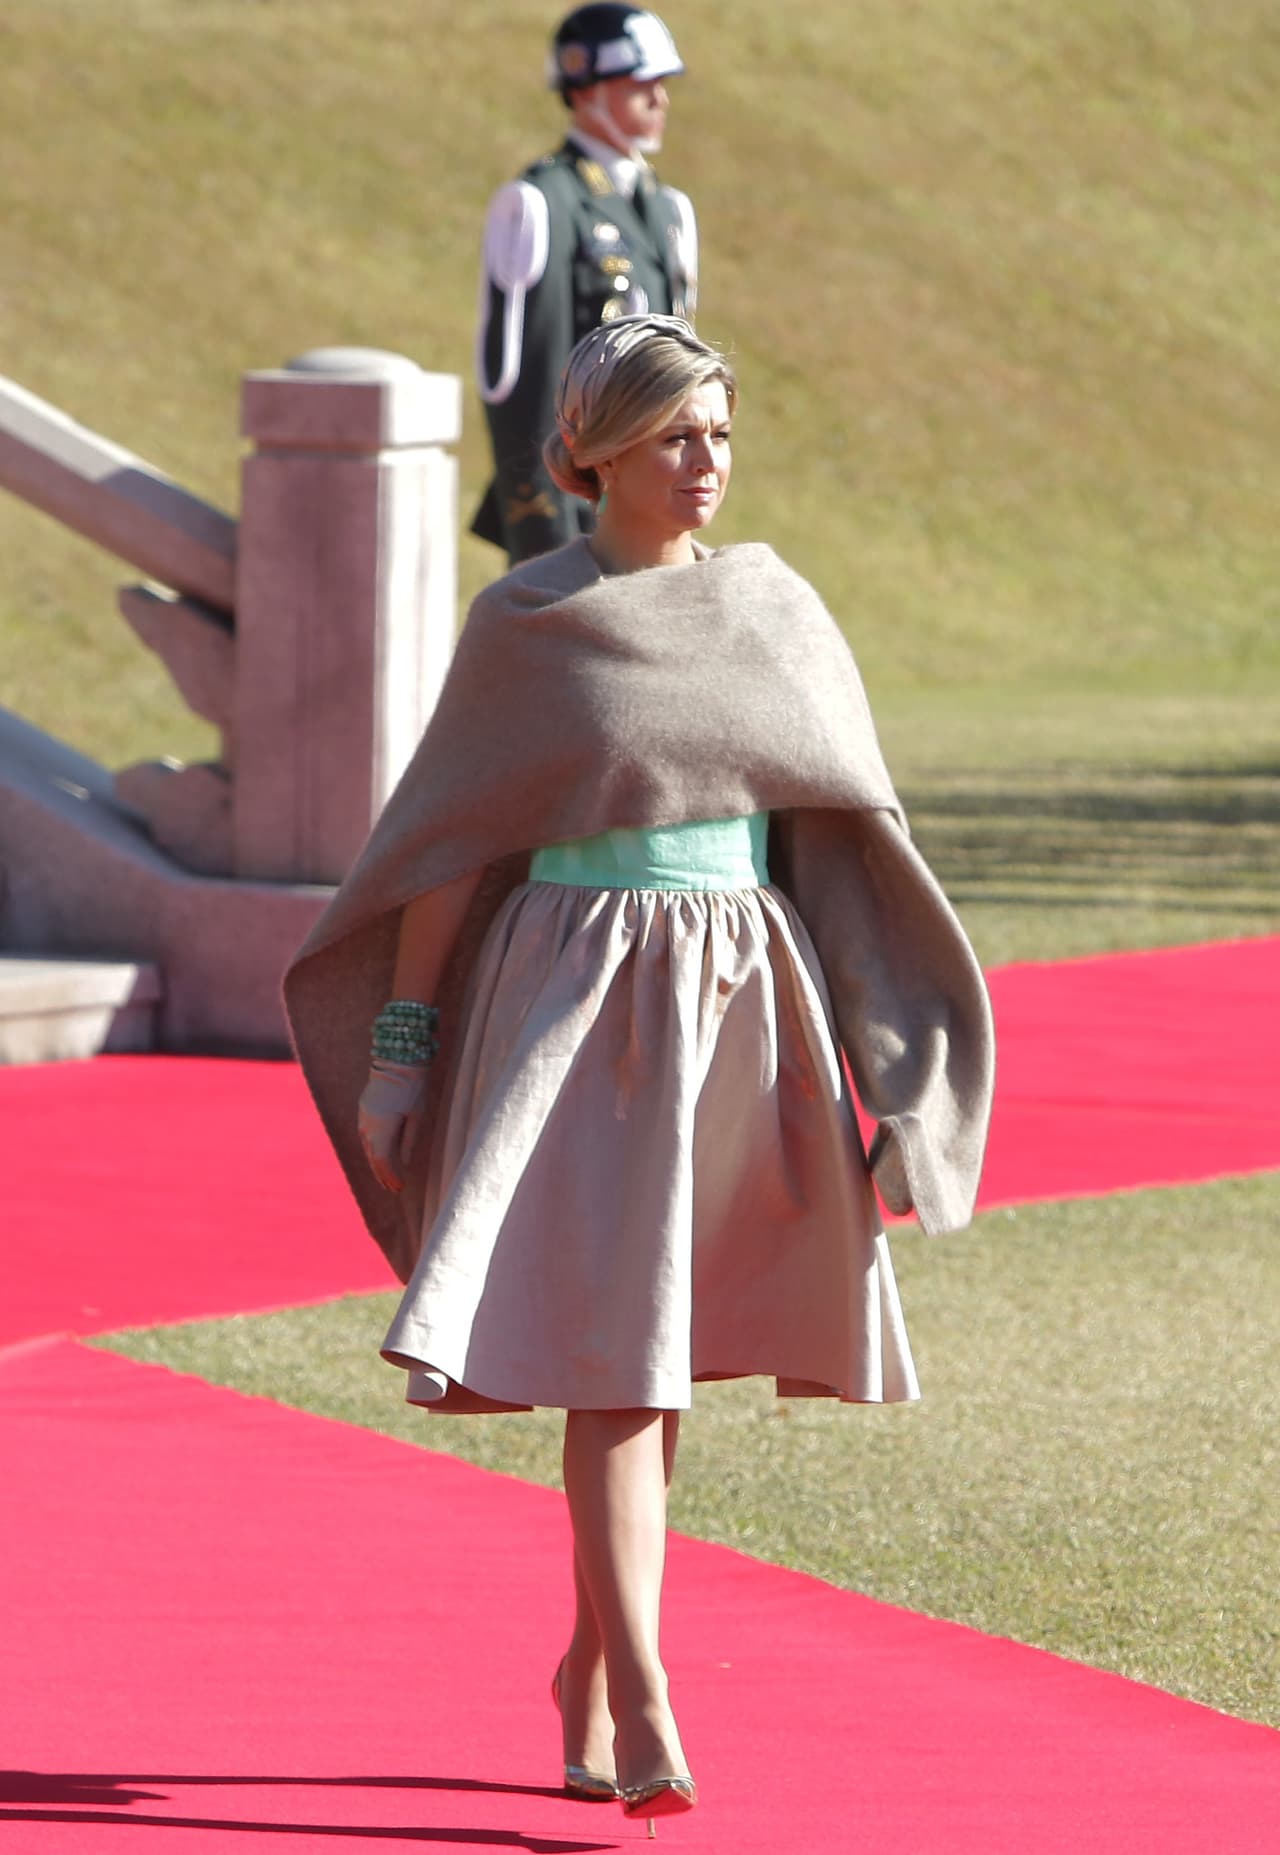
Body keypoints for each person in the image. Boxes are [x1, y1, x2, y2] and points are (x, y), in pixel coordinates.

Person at [285, 317, 995, 1830]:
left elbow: (852, 858)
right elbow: (445, 858)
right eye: (678, 435)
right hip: (571, 1008)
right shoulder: (527, 621)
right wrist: (400, 1059)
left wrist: (901, 1093)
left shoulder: (775, 610)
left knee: (653, 1360)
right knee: (616, 1357)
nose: (707, 462)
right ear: (594, 451)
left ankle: (587, 1668)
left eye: (723, 434)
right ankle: (653, 1682)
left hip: (741, 1003)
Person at [470, 5, 697, 564]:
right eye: (642, 85)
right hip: (576, 519)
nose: (660, 100)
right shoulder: (540, 202)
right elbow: (519, 386)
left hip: (650, 506)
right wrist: (544, 537)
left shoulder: (668, 210)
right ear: (587, 89)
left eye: (663, 85)